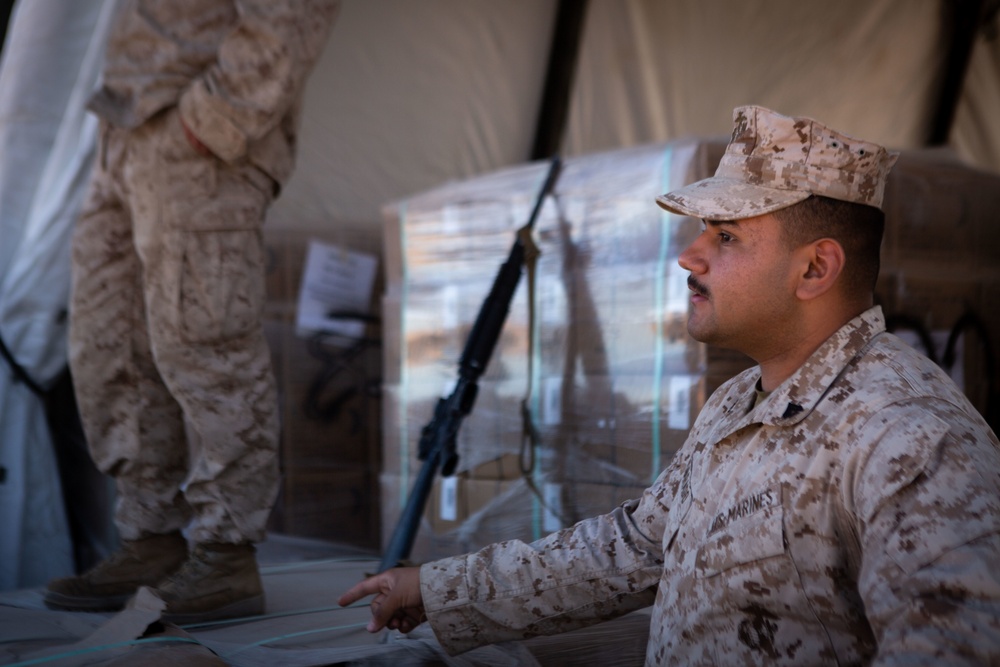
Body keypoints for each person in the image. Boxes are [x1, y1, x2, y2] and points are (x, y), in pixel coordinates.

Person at [339, 105, 1000, 664]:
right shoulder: (739, 403)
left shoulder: (911, 436)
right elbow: (630, 549)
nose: (690, 254)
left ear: (816, 268)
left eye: (728, 235)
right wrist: (438, 589)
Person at [44, 0, 341, 623]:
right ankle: (149, 534)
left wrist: (217, 115)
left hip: (196, 135)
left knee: (206, 344)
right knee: (109, 342)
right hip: (126, 128)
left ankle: (226, 552)